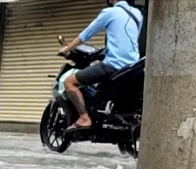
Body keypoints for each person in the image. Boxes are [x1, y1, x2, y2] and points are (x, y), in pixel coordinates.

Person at [57, 0, 142, 132]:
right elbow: (129, 38)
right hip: (133, 66)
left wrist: (67, 48)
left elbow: (86, 34)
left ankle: (84, 118)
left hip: (114, 64)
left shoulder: (109, 12)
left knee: (69, 82)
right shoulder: (138, 14)